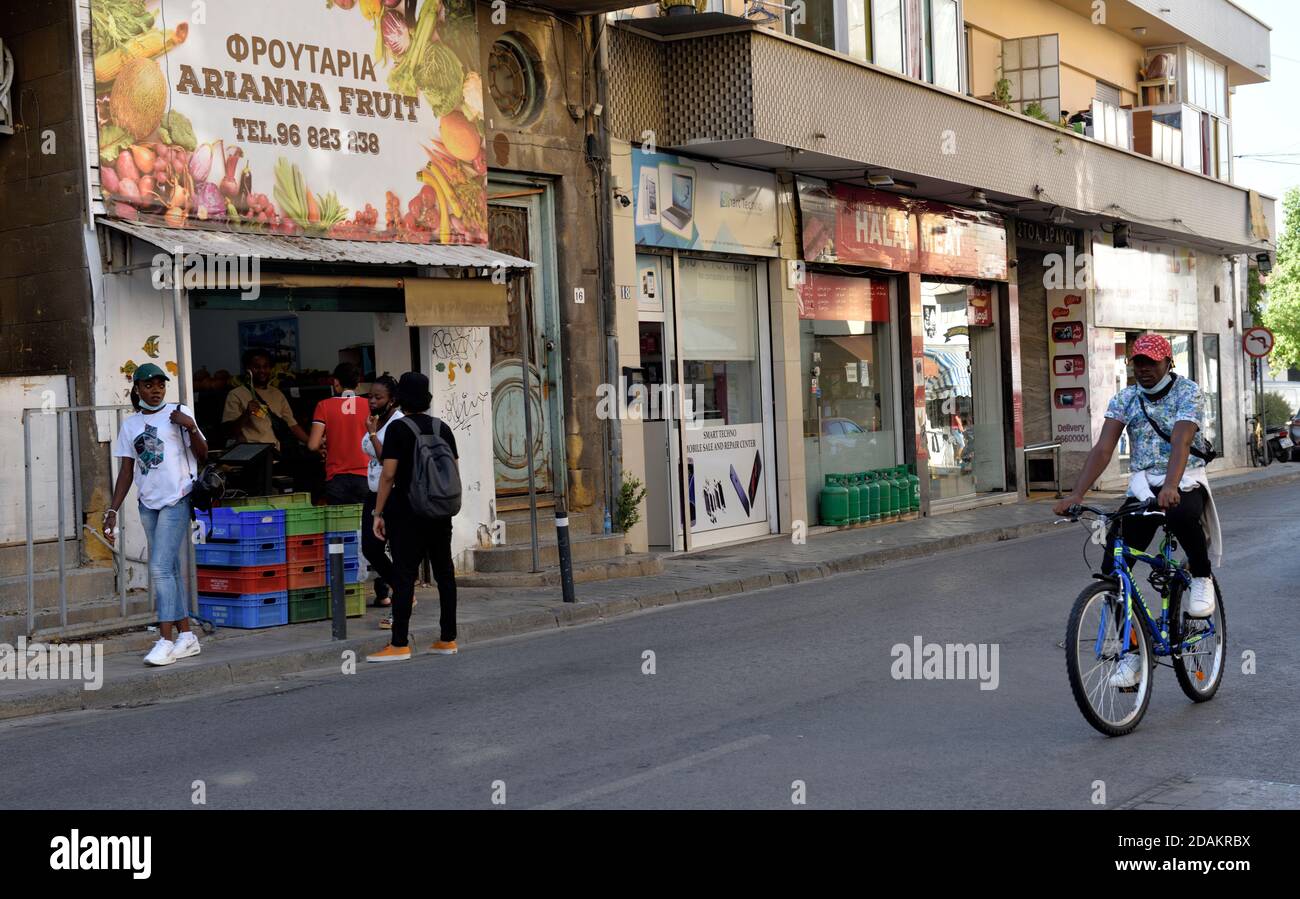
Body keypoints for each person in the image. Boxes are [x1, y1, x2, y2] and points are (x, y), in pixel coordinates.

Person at [1053, 333, 1221, 687]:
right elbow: (1103, 448)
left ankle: (1201, 578)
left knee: (1180, 515)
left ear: (1167, 363)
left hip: (1184, 477)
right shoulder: (1125, 399)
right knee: (1114, 566)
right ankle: (1130, 654)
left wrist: (1172, 485)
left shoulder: (1188, 392)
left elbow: (1182, 439)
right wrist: (1077, 494)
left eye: (1151, 362)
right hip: (1144, 485)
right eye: (1138, 362)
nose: (1143, 369)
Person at [103, 364, 209, 667]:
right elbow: (126, 470)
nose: (155, 389)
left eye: (160, 384)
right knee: (171, 569)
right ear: (137, 389)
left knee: (160, 567)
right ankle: (186, 636)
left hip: (178, 497)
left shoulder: (178, 412)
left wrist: (189, 425)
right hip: (147, 503)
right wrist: (112, 510)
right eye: (148, 385)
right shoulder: (130, 425)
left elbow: (203, 454)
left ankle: (164, 639)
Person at [367, 372, 459, 662]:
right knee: (445, 573)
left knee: (405, 575)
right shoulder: (442, 428)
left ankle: (399, 643)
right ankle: (447, 639)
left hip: (407, 514)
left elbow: (388, 475)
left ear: (401, 399)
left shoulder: (398, 430)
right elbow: (453, 469)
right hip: (440, 512)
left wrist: (377, 513)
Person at [361, 374, 402, 610]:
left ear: (392, 399)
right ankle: (400, 585)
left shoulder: (396, 423)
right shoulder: (375, 420)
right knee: (370, 547)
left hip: (390, 494)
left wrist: (373, 433)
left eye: (378, 397)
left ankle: (402, 590)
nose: (372, 401)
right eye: (370, 396)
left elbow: (387, 459)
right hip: (372, 492)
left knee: (392, 548)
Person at [308, 362, 371, 505]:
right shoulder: (369, 405)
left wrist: (322, 446)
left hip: (336, 477)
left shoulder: (323, 406)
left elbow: (312, 445)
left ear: (336, 382)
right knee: (366, 523)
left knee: (340, 525)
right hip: (366, 475)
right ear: (358, 384)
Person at [222, 348, 310, 450]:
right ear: (247, 369)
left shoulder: (277, 394)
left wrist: (313, 444)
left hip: (275, 454)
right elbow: (229, 432)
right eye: (256, 367)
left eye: (266, 366)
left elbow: (292, 425)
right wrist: (246, 414)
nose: (262, 371)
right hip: (252, 455)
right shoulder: (235, 394)